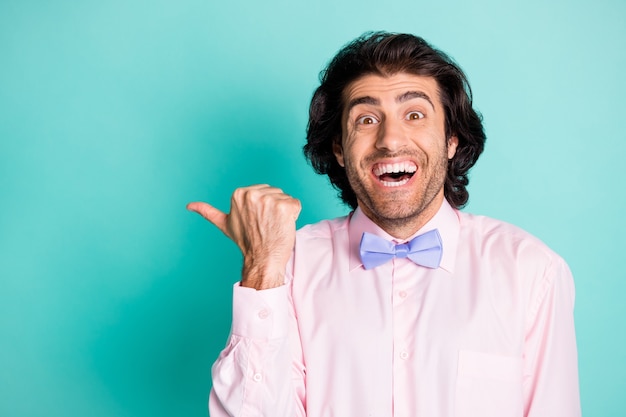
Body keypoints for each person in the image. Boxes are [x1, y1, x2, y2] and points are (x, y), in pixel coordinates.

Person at [188, 31, 581, 417]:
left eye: (414, 115)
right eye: (367, 119)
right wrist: (262, 269)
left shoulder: (532, 271)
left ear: (451, 140)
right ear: (340, 148)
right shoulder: (286, 266)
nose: (390, 140)